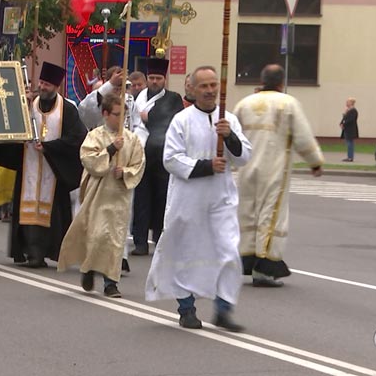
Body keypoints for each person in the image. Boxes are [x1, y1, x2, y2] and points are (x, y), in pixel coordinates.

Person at [145, 66, 252, 332]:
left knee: (228, 250)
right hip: (189, 198)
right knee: (187, 253)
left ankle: (224, 308)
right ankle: (186, 308)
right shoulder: (182, 120)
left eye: (213, 85)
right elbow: (170, 158)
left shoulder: (229, 120)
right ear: (192, 88)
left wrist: (230, 137)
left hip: (221, 197)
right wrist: (205, 166)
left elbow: (244, 156)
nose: (209, 90)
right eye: (203, 86)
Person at [234, 64, 324, 288]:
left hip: (246, 169)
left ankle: (247, 258)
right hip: (273, 168)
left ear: (262, 80)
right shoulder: (288, 103)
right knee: (270, 215)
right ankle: (264, 269)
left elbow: (232, 136)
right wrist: (315, 162)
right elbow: (302, 136)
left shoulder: (244, 103)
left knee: (248, 214)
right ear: (281, 82)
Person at [0, 62, 87, 268]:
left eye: (47, 84)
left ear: (57, 87)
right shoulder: (29, 105)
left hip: (53, 170)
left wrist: (49, 148)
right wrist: (22, 108)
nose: (43, 87)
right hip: (29, 167)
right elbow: (12, 126)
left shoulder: (67, 110)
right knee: (27, 210)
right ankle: (30, 253)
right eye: (41, 83)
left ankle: (43, 252)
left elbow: (77, 138)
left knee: (50, 214)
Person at [58, 94, 145, 298]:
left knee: (115, 239)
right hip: (98, 193)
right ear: (105, 114)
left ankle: (110, 283)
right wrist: (111, 150)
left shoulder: (132, 140)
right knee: (97, 235)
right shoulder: (95, 136)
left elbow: (139, 164)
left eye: (124, 115)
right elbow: (88, 159)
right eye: (116, 114)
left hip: (120, 196)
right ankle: (88, 268)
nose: (121, 119)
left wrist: (125, 172)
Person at [131, 58, 184, 255]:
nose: (154, 81)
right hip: (141, 155)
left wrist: (149, 117)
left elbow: (173, 119)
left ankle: (159, 239)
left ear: (164, 79)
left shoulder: (173, 98)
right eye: (151, 78)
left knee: (162, 199)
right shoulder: (138, 97)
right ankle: (140, 242)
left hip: (162, 158)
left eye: (158, 78)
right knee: (141, 201)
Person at [340, 97, 358, 162]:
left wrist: (343, 124)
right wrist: (341, 123)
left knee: (350, 144)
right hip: (347, 129)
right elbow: (345, 118)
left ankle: (350, 157)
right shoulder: (348, 110)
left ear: (351, 103)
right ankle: (349, 156)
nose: (346, 103)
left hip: (351, 130)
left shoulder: (353, 111)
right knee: (348, 143)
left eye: (347, 102)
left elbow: (350, 120)